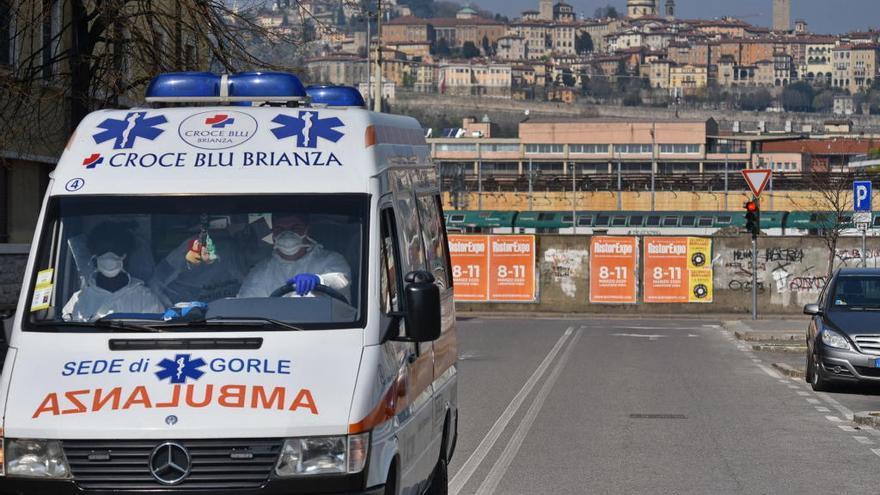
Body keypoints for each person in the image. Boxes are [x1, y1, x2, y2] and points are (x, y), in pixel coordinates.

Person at [149, 216, 262, 307]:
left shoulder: (236, 251)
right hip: (185, 319)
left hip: (230, 319)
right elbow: (158, 282)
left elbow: (251, 285)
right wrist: (168, 310)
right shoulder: (189, 249)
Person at [62, 222, 165, 322]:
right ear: (94, 255)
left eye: (116, 250)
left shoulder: (145, 298)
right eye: (103, 250)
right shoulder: (79, 300)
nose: (109, 255)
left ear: (125, 255)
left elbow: (156, 333)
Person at [238, 213, 351, 299]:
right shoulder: (261, 271)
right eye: (280, 229)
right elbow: (248, 305)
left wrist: (320, 280)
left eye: (295, 228)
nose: (287, 234)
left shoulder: (331, 259)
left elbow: (342, 281)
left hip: (323, 328)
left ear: (307, 230)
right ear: (273, 234)